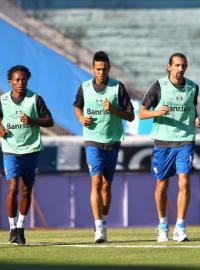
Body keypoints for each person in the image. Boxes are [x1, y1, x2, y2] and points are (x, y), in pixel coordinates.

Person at [138, 53, 200, 242]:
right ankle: (162, 225)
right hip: (163, 142)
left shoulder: (193, 87)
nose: (180, 69)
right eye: (177, 65)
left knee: (184, 182)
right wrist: (157, 112)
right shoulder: (158, 86)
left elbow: (192, 110)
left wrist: (198, 121)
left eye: (183, 65)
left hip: (185, 141)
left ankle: (181, 227)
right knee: (162, 186)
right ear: (169, 67)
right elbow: (141, 113)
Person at [73, 51, 134, 243]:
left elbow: (131, 116)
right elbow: (77, 106)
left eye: (104, 69)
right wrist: (82, 118)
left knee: (107, 187)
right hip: (92, 141)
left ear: (109, 69)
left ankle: (104, 222)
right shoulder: (84, 87)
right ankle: (98, 228)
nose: (101, 72)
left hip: (113, 141)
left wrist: (114, 110)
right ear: (93, 69)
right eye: (98, 69)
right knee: (96, 182)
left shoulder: (118, 88)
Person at [0, 65, 54, 245]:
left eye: (23, 79)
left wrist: (33, 121)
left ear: (27, 80)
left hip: (31, 150)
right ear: (10, 81)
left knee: (26, 190)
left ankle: (21, 228)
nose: (20, 82)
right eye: (17, 80)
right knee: (12, 188)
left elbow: (50, 120)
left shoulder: (35, 99)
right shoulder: (2, 100)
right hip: (11, 150)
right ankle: (12, 228)